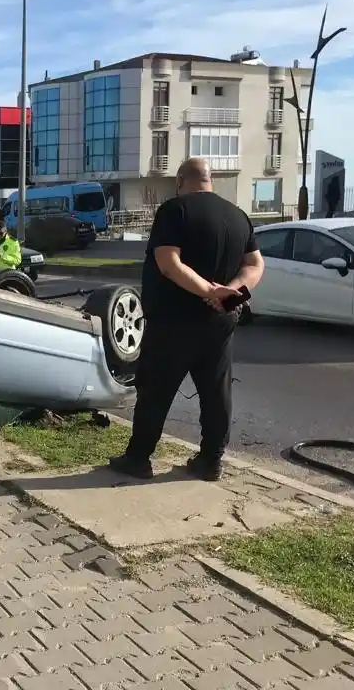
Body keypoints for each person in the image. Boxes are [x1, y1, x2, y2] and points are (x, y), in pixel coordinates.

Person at [109, 158, 264, 482]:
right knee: (216, 391)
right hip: (220, 321)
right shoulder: (238, 216)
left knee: (155, 390)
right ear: (210, 181)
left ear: (181, 180)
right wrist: (230, 292)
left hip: (174, 318)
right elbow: (255, 265)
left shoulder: (174, 210)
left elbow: (168, 263)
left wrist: (208, 289)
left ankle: (138, 458)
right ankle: (211, 460)